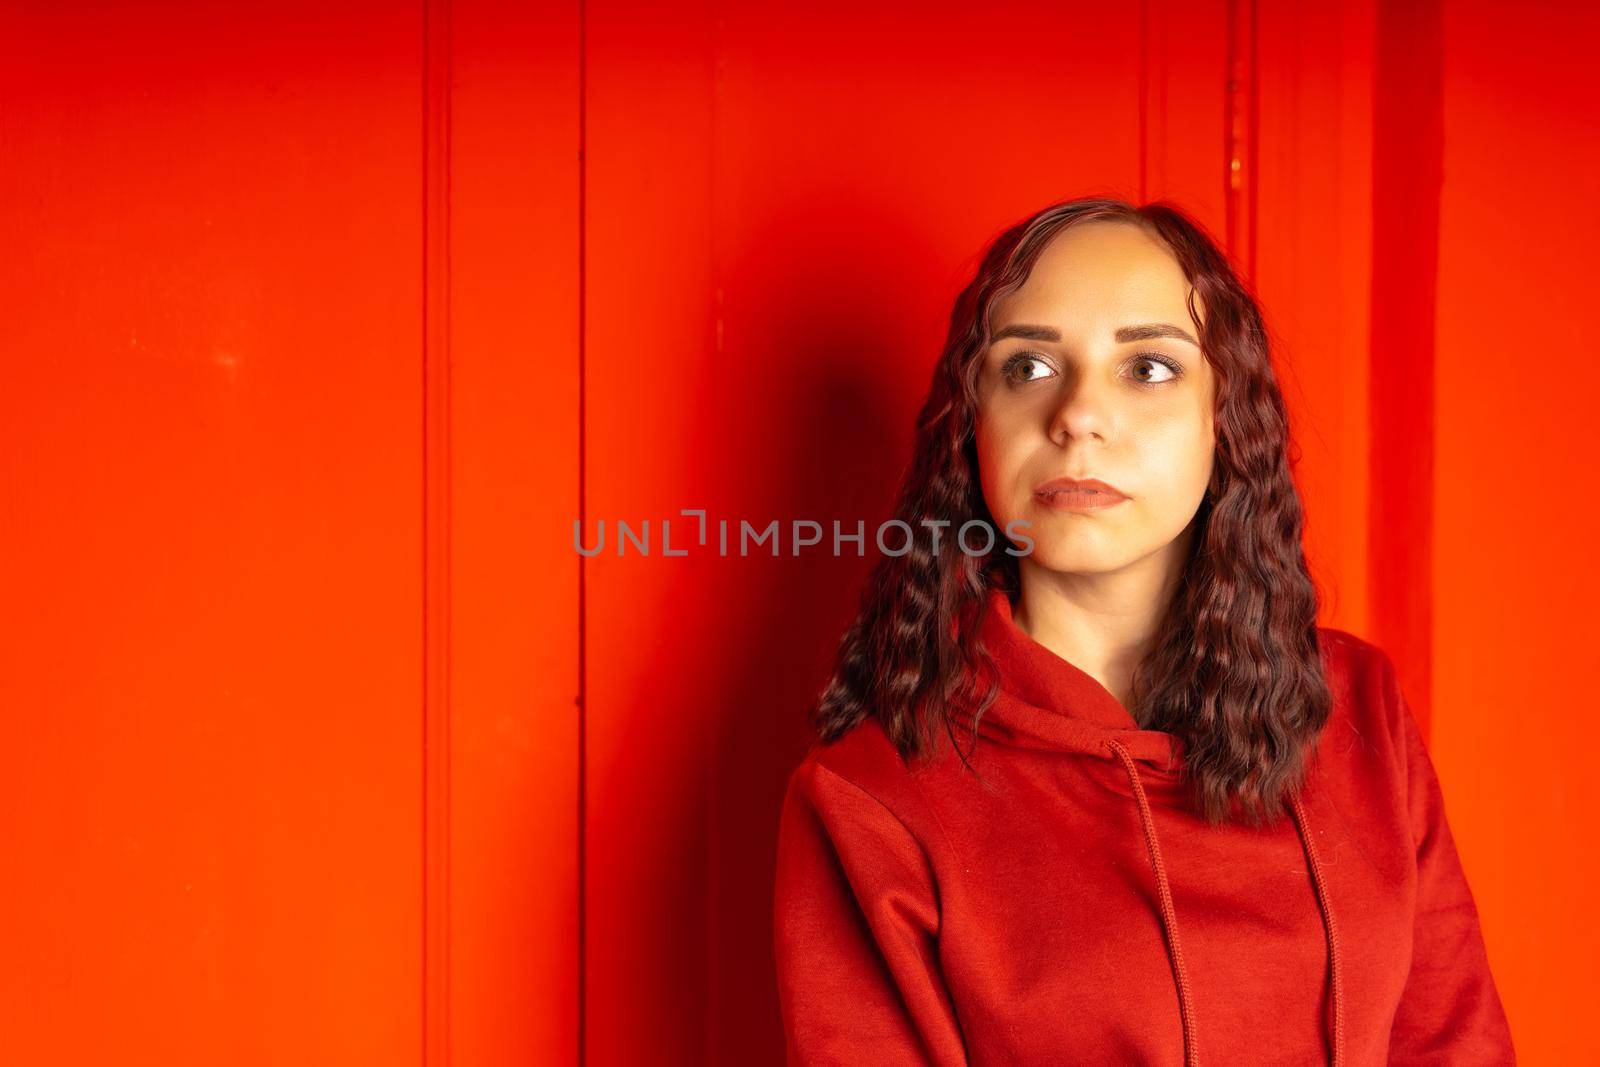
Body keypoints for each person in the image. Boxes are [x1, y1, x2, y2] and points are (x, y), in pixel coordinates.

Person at [770, 197, 1514, 1065]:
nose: (1079, 414)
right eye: (1028, 368)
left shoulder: (1361, 712)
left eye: (1149, 367)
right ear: (973, 427)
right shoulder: (871, 796)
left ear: (1224, 419)